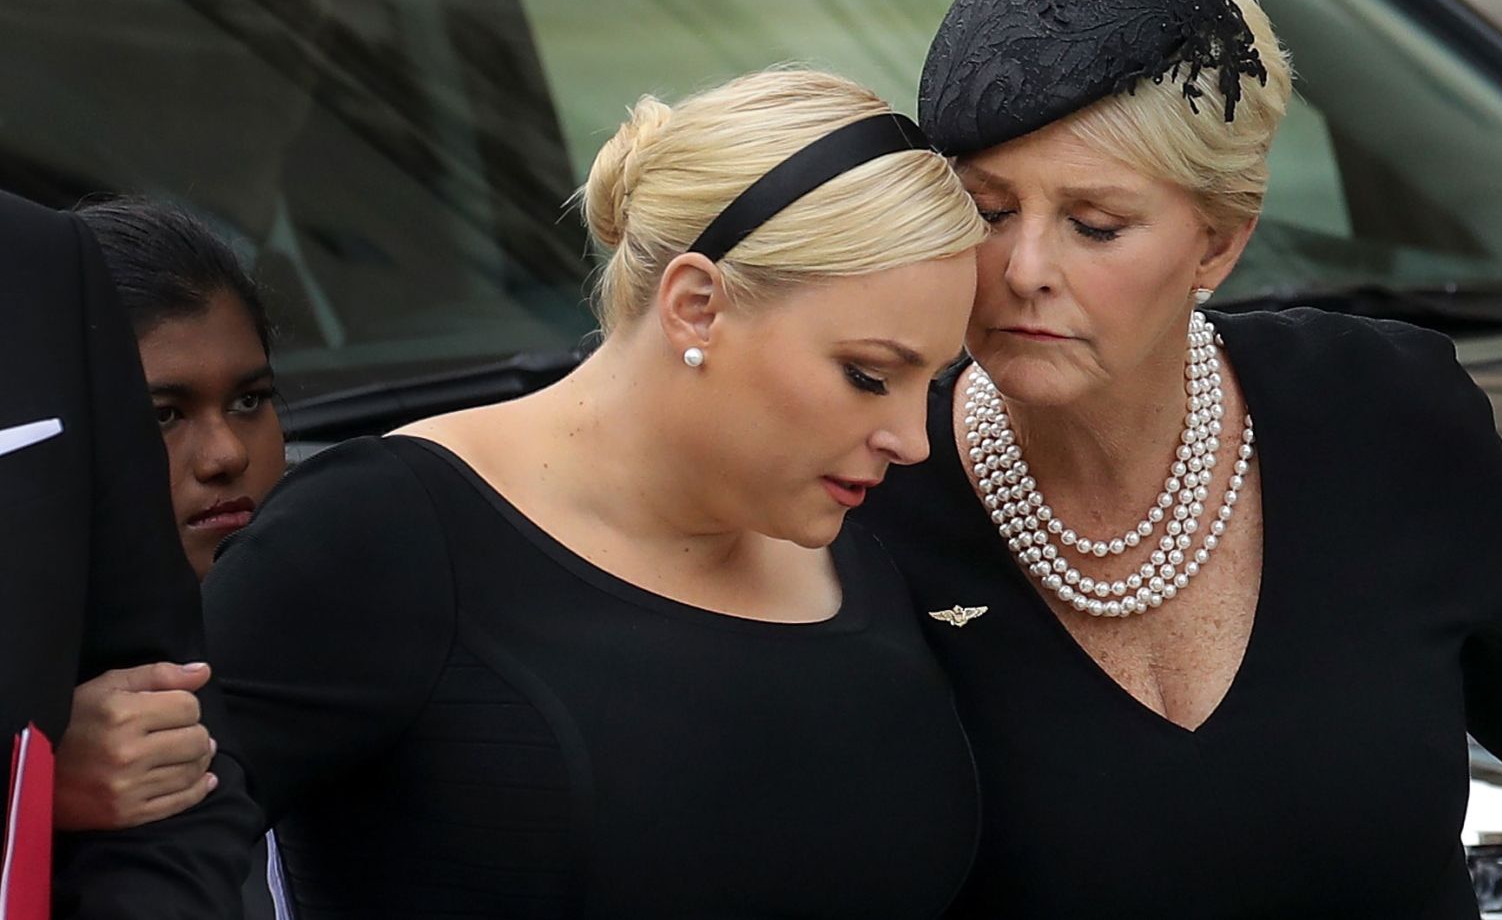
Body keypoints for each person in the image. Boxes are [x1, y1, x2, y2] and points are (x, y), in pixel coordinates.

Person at [854, 0, 1502, 918]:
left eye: (1095, 225)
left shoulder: (1383, 414)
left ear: (1218, 245)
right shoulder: (863, 486)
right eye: (984, 211)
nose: (1023, 270)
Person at [202, 68, 988, 917]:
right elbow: (123, 850)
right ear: (695, 306)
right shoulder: (376, 534)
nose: (911, 440)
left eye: (934, 382)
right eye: (869, 376)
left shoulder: (868, 532)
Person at [0, 189, 258, 918]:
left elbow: (169, 724)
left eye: (252, 399)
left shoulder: (36, 261)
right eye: (164, 415)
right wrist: (28, 781)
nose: (225, 454)